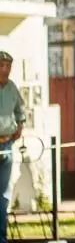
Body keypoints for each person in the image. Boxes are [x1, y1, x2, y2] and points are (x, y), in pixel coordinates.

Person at [0, 51, 25, 241]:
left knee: (4, 195)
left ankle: (2, 237)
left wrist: (20, 125)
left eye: (8, 66)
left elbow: (20, 109)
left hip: (7, 144)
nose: (5, 70)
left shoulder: (11, 87)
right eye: (2, 65)